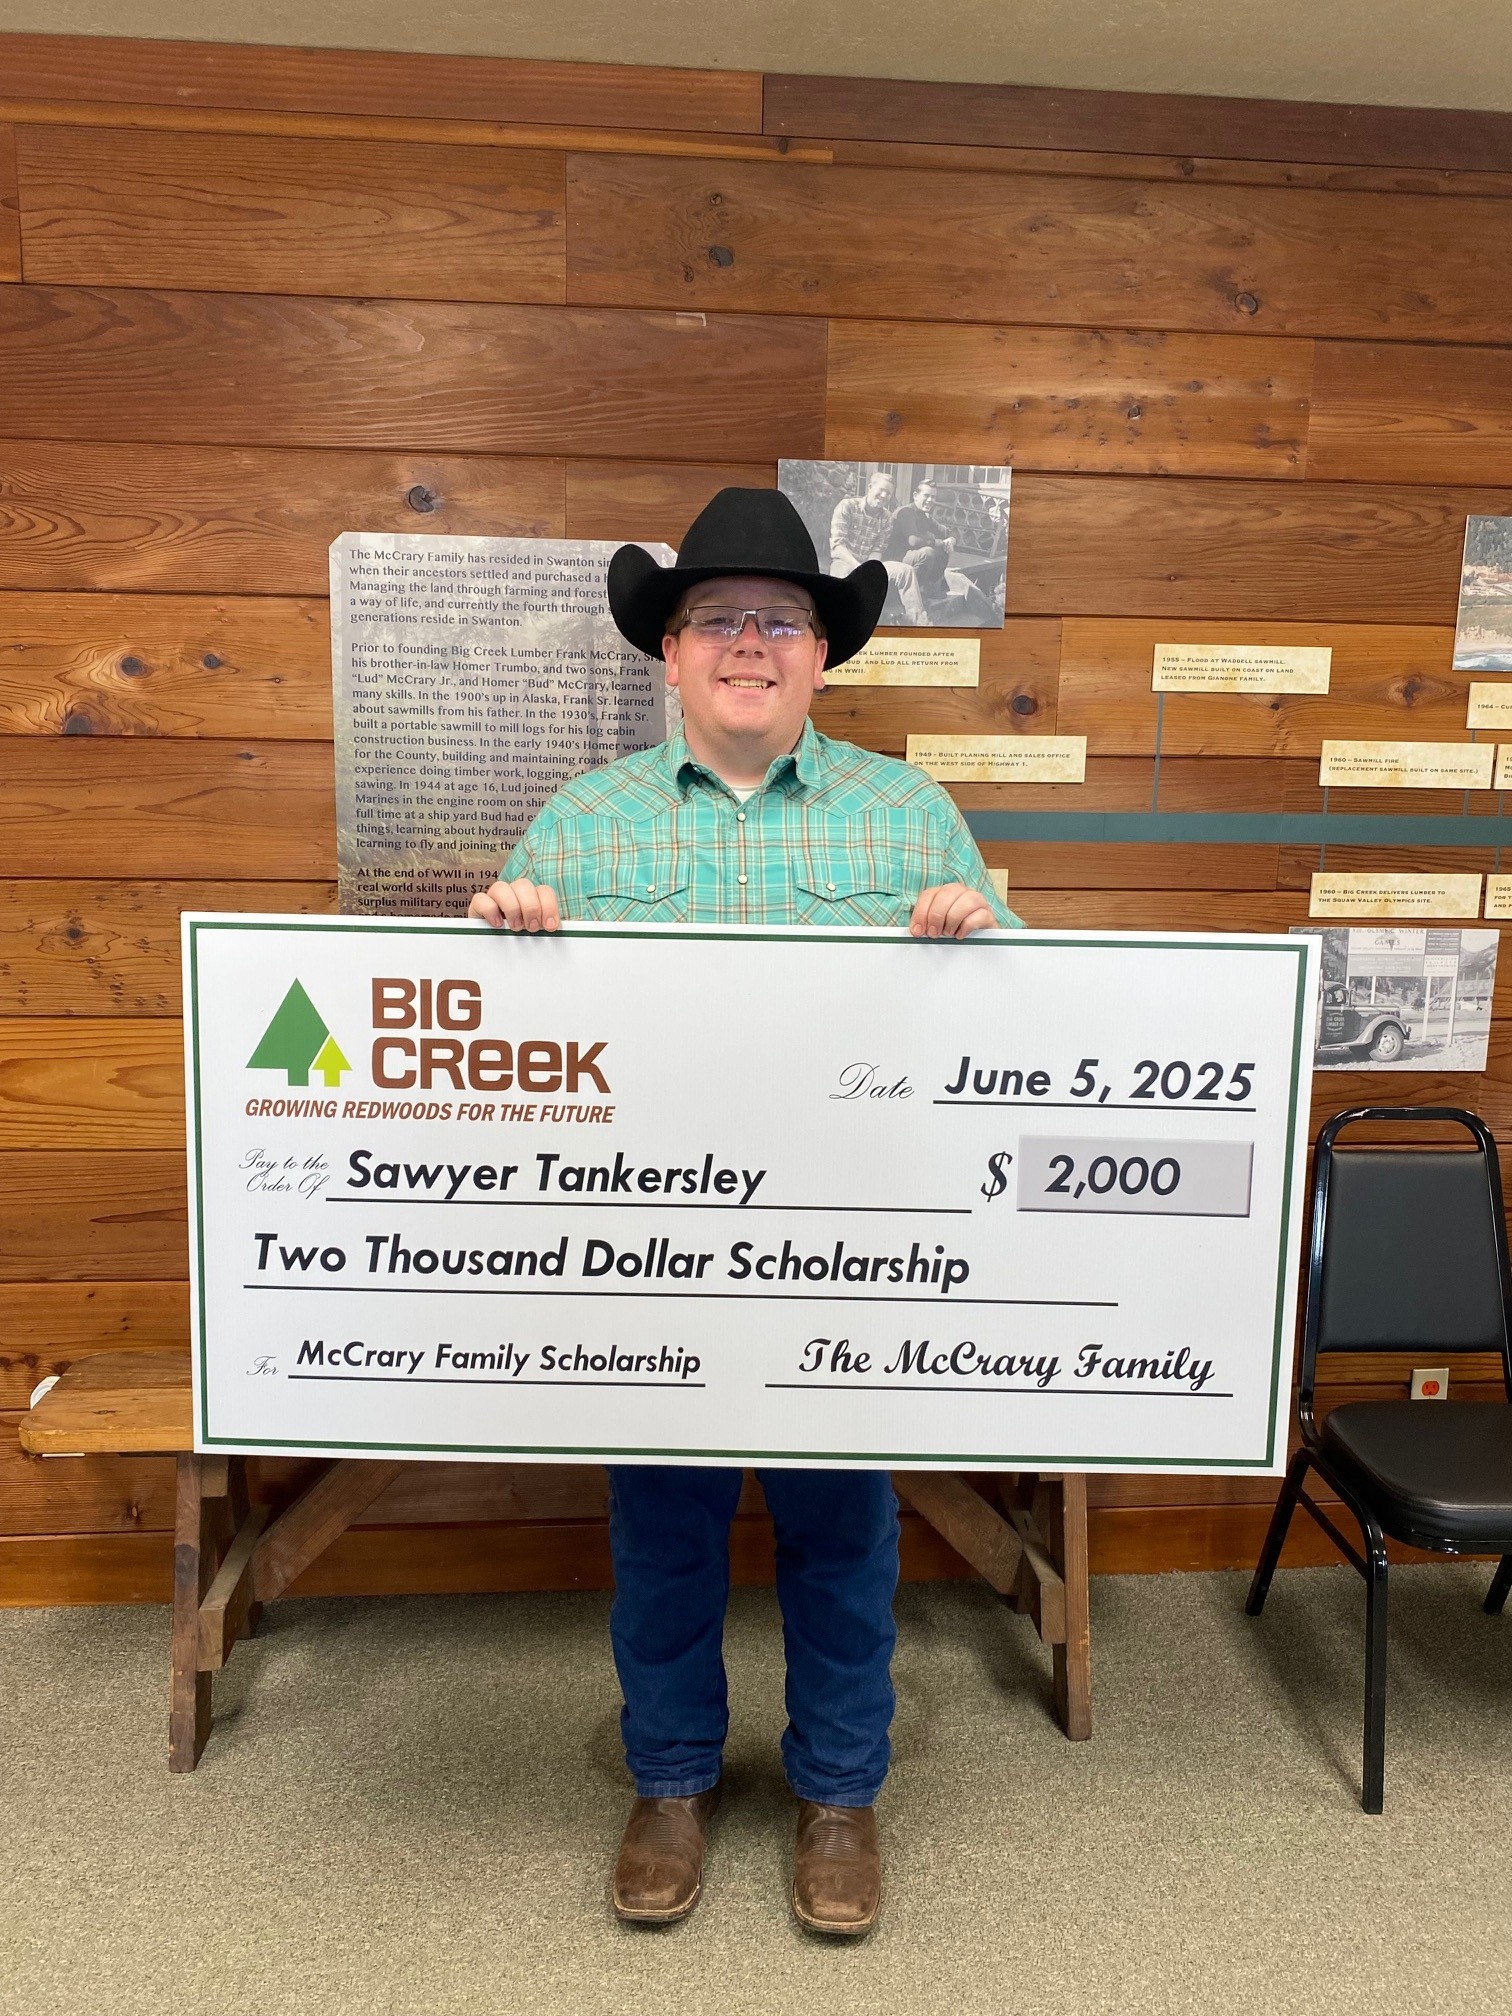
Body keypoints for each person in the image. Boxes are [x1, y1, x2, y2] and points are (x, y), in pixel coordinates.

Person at [469, 487, 1020, 1938]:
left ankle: (841, 1796)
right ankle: (670, 1781)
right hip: (651, 1266)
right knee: (662, 1533)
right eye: (719, 619)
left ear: (823, 654)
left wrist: (982, 941)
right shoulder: (578, 826)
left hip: (847, 1261)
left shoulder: (909, 815)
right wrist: (509, 949)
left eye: (782, 619)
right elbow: (511, 1067)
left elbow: (1031, 1027)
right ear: (670, 652)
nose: (751, 643)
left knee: (846, 1535)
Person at [827, 468, 929, 624]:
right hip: (845, 561)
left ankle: (919, 623)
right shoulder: (847, 506)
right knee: (842, 576)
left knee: (906, 571)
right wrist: (858, 567)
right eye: (881, 490)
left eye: (888, 493)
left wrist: (870, 568)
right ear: (870, 487)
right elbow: (838, 546)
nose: (884, 496)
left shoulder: (887, 517)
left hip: (871, 563)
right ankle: (846, 625)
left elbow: (878, 549)